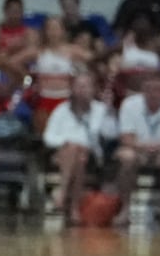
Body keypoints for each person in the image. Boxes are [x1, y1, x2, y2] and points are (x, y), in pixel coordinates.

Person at [114, 72, 160, 228]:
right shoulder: (129, 104)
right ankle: (125, 209)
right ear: (143, 91)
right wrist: (146, 147)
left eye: (157, 89)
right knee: (127, 157)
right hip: (137, 150)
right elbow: (126, 138)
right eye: (149, 89)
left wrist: (158, 148)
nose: (153, 94)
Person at [41, 71, 114, 220]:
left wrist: (109, 111)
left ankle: (62, 192)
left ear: (94, 89)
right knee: (76, 154)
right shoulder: (62, 110)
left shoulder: (100, 110)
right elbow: (48, 137)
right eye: (79, 86)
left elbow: (110, 134)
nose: (82, 90)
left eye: (86, 86)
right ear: (72, 89)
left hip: (92, 156)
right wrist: (67, 141)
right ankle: (74, 208)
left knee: (79, 154)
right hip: (64, 153)